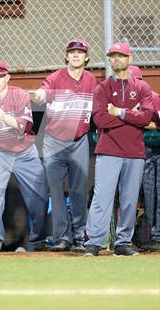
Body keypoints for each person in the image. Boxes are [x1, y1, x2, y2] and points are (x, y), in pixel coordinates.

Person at [29, 38, 98, 251]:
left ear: (86, 57)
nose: (76, 55)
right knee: (56, 192)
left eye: (80, 52)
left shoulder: (91, 80)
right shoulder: (55, 78)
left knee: (79, 190)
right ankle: (62, 238)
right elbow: (42, 93)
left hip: (79, 141)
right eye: (72, 52)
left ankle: (79, 235)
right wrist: (38, 96)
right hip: (54, 143)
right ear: (66, 56)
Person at [84, 43, 153, 257]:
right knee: (102, 197)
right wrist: (133, 118)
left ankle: (123, 243)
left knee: (130, 199)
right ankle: (94, 243)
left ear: (130, 58)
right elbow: (100, 119)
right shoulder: (102, 88)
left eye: (120, 56)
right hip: (109, 150)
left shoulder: (142, 88)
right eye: (112, 56)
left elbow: (148, 117)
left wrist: (120, 113)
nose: (116, 59)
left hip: (134, 152)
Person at [0, 60, 48, 253]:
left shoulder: (19, 95)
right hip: (0, 153)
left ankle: (38, 241)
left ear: (7, 77)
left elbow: (25, 126)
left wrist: (3, 116)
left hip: (25, 153)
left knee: (38, 197)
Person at [128, 65, 160, 252]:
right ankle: (145, 237)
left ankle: (157, 236)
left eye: (137, 81)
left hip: (156, 150)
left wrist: (141, 121)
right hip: (140, 153)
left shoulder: (154, 97)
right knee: (147, 197)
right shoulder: (123, 101)